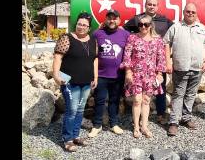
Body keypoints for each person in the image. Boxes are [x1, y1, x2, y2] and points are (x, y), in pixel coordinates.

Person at [164, 3, 205, 136]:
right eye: (188, 11)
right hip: (180, 68)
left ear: (196, 14)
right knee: (178, 94)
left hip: (197, 68)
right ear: (184, 12)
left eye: (193, 12)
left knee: (191, 95)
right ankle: (173, 122)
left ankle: (186, 118)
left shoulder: (202, 28)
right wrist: (168, 61)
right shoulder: (176, 27)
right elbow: (166, 43)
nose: (190, 14)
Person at [123, 0, 173, 125]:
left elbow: (175, 32)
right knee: (138, 99)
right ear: (145, 5)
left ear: (157, 6)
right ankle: (137, 124)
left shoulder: (165, 20)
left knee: (158, 92)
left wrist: (161, 70)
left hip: (154, 69)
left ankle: (160, 114)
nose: (151, 6)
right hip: (137, 70)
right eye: (149, 4)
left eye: (154, 4)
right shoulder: (136, 19)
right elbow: (123, 30)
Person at [52, 12, 98, 152]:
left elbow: (95, 59)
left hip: (86, 81)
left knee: (79, 110)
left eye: (85, 25)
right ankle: (67, 139)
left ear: (89, 27)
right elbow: (58, 57)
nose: (81, 27)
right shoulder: (67, 38)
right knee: (71, 111)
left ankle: (76, 135)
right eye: (79, 24)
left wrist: (95, 77)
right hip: (69, 81)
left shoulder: (92, 40)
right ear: (76, 24)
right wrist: (55, 75)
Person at [120, 14, 166, 138]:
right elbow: (127, 56)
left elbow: (161, 59)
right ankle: (136, 127)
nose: (143, 27)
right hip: (136, 75)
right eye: (140, 24)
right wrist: (128, 72)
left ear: (151, 26)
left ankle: (144, 126)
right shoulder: (132, 38)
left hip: (151, 75)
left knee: (146, 101)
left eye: (146, 24)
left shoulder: (158, 40)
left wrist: (159, 74)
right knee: (136, 100)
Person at [88, 10, 130, 138]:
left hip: (118, 75)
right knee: (99, 100)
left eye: (114, 18)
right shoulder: (97, 34)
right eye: (109, 18)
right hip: (100, 75)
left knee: (114, 100)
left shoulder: (125, 34)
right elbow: (90, 52)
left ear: (119, 20)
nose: (112, 21)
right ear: (105, 20)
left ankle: (114, 124)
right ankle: (97, 125)